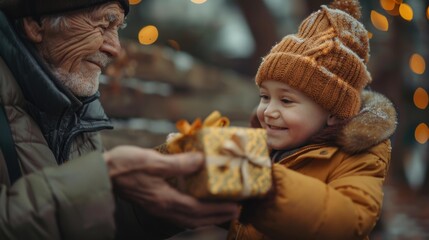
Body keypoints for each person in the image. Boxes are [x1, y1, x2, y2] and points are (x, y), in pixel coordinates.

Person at [0, 0, 239, 239]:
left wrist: (150, 202)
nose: (115, 49)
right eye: (104, 24)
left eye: (118, 28)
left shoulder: (75, 106)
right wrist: (106, 174)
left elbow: (80, 222)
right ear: (36, 25)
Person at [227, 0, 397, 239]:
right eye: (265, 97)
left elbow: (350, 220)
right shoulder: (261, 146)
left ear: (331, 113)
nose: (268, 111)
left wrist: (263, 182)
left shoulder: (356, 158)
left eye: (286, 101)